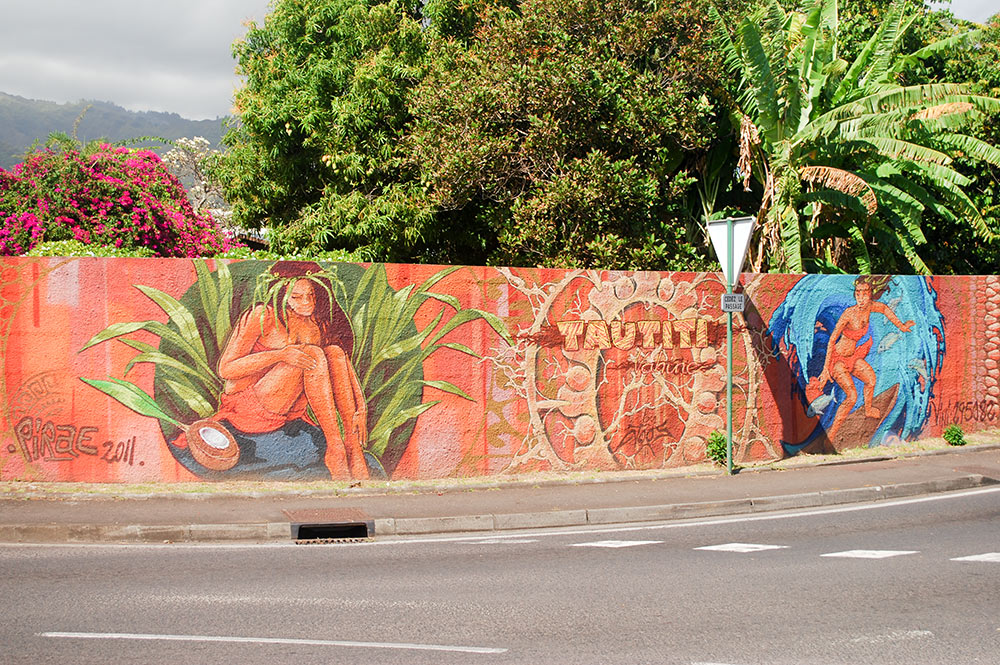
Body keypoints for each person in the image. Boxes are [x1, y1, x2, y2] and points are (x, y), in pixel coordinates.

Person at [215, 262, 369, 480]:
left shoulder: (316, 323)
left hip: (292, 410)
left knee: (333, 351)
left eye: (311, 296)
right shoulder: (262, 316)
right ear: (282, 295)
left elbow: (341, 361)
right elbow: (226, 368)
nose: (306, 303)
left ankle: (352, 446)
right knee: (313, 355)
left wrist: (361, 407)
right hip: (249, 407)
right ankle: (335, 449)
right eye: (297, 297)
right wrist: (280, 355)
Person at [812, 277, 913, 440]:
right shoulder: (848, 314)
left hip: (853, 357)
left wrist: (901, 326)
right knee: (851, 397)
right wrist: (825, 369)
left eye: (864, 293)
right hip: (838, 361)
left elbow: (885, 309)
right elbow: (831, 340)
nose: (861, 297)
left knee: (871, 379)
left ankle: (867, 409)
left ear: (870, 295)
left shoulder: (871, 308)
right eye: (858, 294)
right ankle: (831, 435)